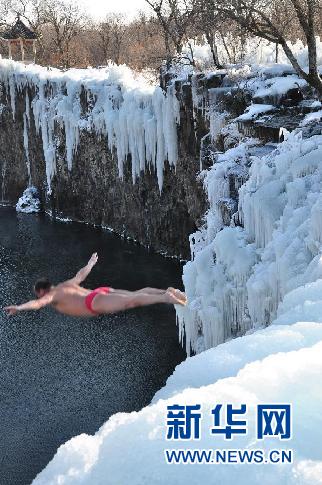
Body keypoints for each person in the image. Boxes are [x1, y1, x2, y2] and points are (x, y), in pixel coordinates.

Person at [4, 253, 187, 317]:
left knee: (133, 300)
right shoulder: (65, 284)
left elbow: (36, 305)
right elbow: (81, 274)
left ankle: (166, 298)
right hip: (99, 292)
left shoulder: (52, 295)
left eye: (38, 294)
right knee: (135, 294)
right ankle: (167, 291)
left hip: (93, 302)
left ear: (42, 291)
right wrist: (91, 263)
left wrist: (19, 307)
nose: (39, 297)